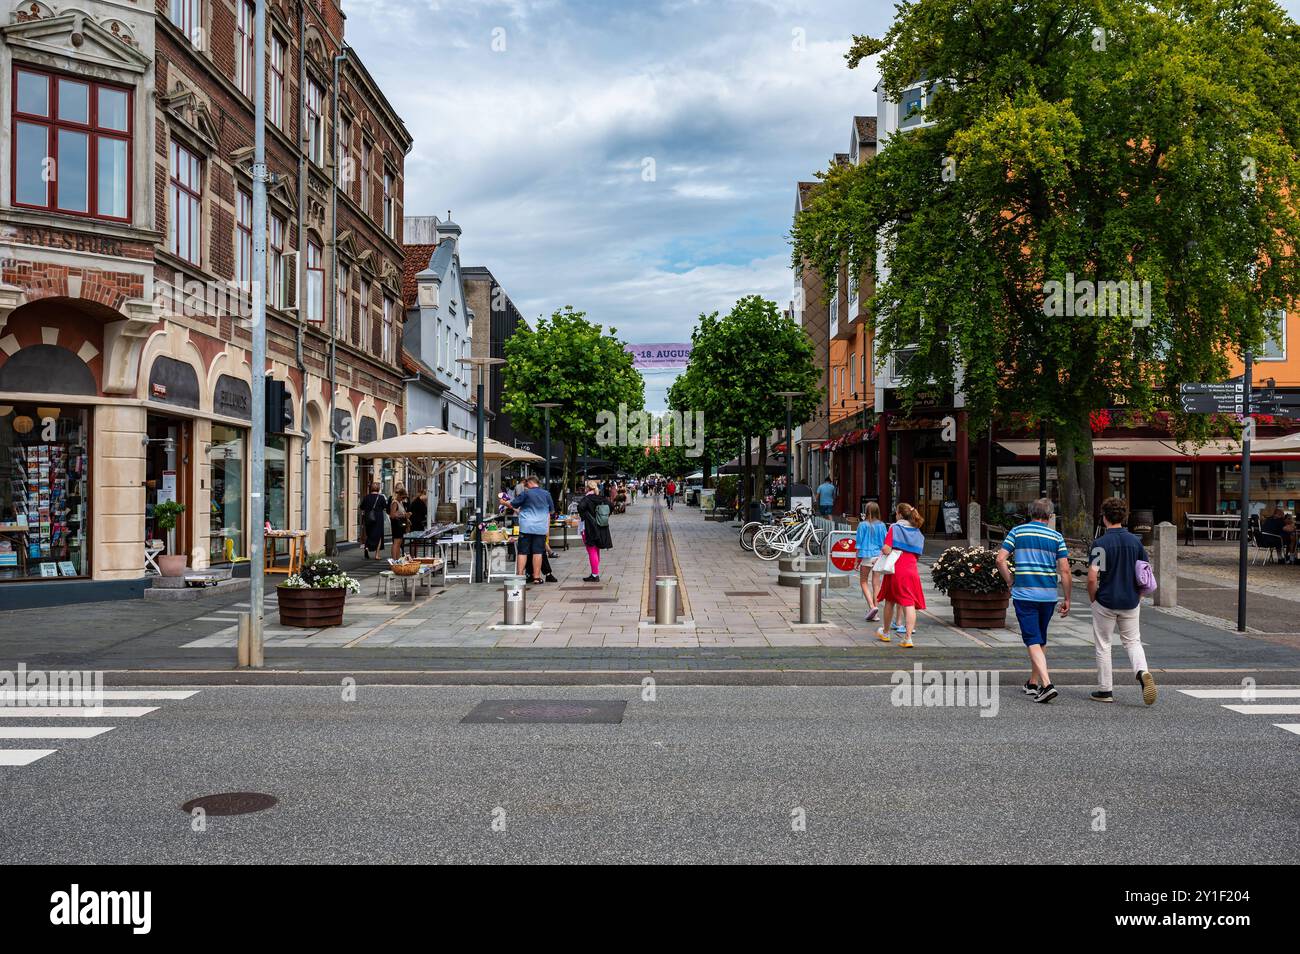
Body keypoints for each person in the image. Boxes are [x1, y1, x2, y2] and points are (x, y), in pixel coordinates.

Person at [997, 497, 1071, 704]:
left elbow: (1000, 559)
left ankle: (1047, 684)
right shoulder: (1057, 537)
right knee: (1040, 638)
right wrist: (1067, 598)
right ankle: (1032, 682)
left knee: (1031, 638)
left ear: (1031, 513)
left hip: (1025, 593)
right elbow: (1064, 570)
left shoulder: (1017, 532)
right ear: (1049, 516)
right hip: (1048, 595)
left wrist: (1010, 580)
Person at [1088, 497, 1157, 705]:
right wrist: (1139, 595)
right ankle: (1142, 671)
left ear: (1104, 517)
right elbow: (1144, 572)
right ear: (1124, 517)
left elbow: (1092, 577)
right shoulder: (1135, 542)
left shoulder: (1100, 544)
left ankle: (1105, 690)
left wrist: (1093, 598)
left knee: (1104, 644)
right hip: (1130, 600)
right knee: (1133, 641)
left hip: (1106, 600)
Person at [875, 502, 927, 648]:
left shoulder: (895, 528)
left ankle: (885, 632)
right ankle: (908, 638)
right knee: (908, 602)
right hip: (911, 569)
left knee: (890, 600)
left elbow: (886, 549)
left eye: (896, 512)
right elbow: (917, 554)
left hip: (895, 569)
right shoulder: (917, 532)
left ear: (899, 514)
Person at [509, 475, 554, 584]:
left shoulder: (526, 493)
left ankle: (519, 576)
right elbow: (551, 511)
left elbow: (513, 503)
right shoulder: (547, 494)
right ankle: (537, 578)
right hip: (540, 528)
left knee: (522, 552)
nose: (525, 487)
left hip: (526, 528)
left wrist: (504, 502)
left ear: (530, 483)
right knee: (538, 552)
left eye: (526, 485)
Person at [856, 501, 888, 622]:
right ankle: (875, 613)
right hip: (878, 556)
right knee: (876, 584)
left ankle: (871, 606)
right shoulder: (882, 525)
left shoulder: (862, 525)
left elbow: (858, 544)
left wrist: (856, 561)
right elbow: (885, 542)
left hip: (866, 555)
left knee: (863, 581)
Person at [577, 479, 613, 582]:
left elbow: (580, 508)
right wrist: (604, 515)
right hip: (601, 527)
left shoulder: (587, 499)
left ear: (588, 488)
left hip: (589, 528)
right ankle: (595, 571)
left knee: (591, 549)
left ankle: (594, 574)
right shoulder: (601, 498)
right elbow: (611, 506)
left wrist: (585, 515)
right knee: (596, 549)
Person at [359, 481, 388, 559]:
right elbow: (385, 507)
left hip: (368, 518)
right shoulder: (381, 497)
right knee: (379, 536)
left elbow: (361, 507)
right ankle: (377, 555)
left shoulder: (366, 497)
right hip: (378, 518)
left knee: (369, 534)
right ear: (378, 489)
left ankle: (367, 548)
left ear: (371, 488)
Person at [388, 486, 409, 560]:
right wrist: (403, 515)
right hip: (396, 525)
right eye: (403, 497)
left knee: (399, 542)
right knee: (396, 543)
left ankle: (397, 559)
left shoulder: (400, 502)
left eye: (405, 498)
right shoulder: (395, 502)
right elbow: (392, 515)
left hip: (400, 525)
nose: (403, 499)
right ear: (399, 495)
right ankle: (394, 560)